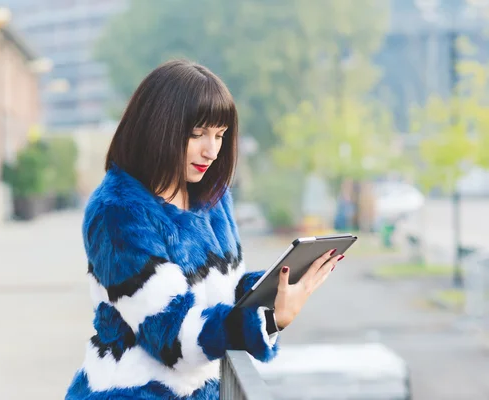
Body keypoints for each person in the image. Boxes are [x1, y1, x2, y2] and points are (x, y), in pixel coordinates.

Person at [65, 59, 344, 399]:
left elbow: (223, 292)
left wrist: (281, 282)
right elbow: (173, 336)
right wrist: (268, 321)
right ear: (157, 128)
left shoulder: (212, 199)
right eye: (197, 134)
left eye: (219, 135)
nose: (211, 151)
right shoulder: (118, 211)